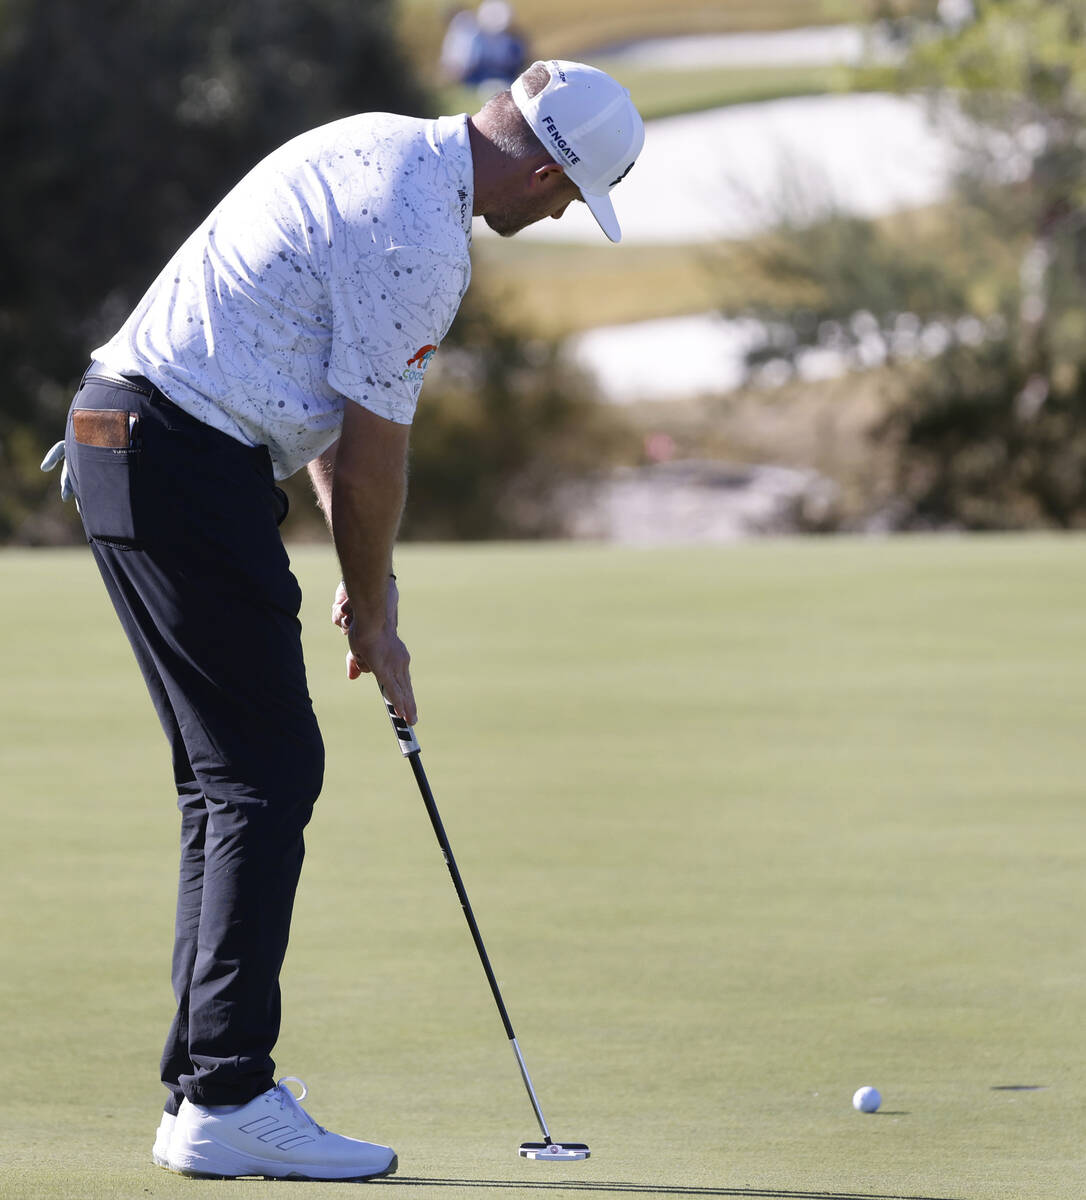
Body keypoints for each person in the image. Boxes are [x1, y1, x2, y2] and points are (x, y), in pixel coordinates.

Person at [43, 60, 643, 1182]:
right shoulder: (425, 237)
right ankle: (226, 1090)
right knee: (267, 773)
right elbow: (370, 465)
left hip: (121, 435)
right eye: (570, 192)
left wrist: (377, 606)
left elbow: (309, 400)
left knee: (228, 780)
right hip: (179, 460)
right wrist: (376, 609)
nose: (562, 212)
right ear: (548, 160)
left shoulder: (380, 142)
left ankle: (205, 1088)